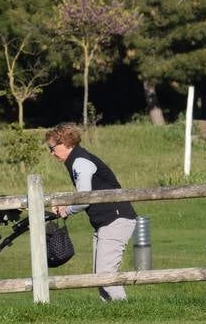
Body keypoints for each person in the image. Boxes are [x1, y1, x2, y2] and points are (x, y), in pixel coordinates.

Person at [46, 123, 137, 301]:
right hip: (107, 222)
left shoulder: (80, 162)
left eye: (52, 148)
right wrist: (65, 205)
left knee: (105, 275)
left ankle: (126, 312)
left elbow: (84, 198)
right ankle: (112, 318)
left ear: (65, 143)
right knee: (100, 276)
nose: (51, 153)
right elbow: (84, 194)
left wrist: (67, 211)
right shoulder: (77, 159)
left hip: (115, 219)